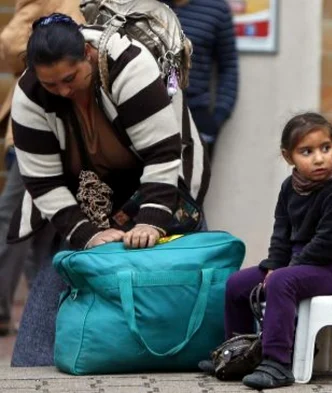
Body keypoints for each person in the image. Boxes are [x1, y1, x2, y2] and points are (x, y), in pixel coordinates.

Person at [10, 13, 210, 366]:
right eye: (52, 85)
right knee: (49, 305)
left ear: (87, 53)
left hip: (161, 184)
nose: (63, 91)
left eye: (70, 79)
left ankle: (195, 359)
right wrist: (86, 235)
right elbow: (42, 181)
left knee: (177, 287)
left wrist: (151, 220)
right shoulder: (30, 93)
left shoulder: (127, 63)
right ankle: (33, 370)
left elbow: (164, 153)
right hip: (86, 195)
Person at [223, 112, 332, 389]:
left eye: (325, 148)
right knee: (236, 284)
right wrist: (275, 263)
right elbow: (281, 232)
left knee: (281, 282)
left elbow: (329, 245)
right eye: (306, 152)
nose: (319, 158)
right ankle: (239, 353)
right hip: (296, 262)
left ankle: (277, 362)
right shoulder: (290, 187)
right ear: (288, 157)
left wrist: (283, 271)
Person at [0, 0, 83, 337]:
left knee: (16, 219)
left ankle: (28, 312)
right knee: (42, 227)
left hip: (44, 134)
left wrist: (31, 12)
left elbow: (11, 46)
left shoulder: (53, 3)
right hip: (40, 133)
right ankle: (44, 315)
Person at [161, 0, 238, 157]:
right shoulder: (148, 6)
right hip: (150, 110)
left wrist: (217, 117)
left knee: (194, 180)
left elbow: (229, 66)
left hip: (195, 114)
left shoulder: (216, 9)